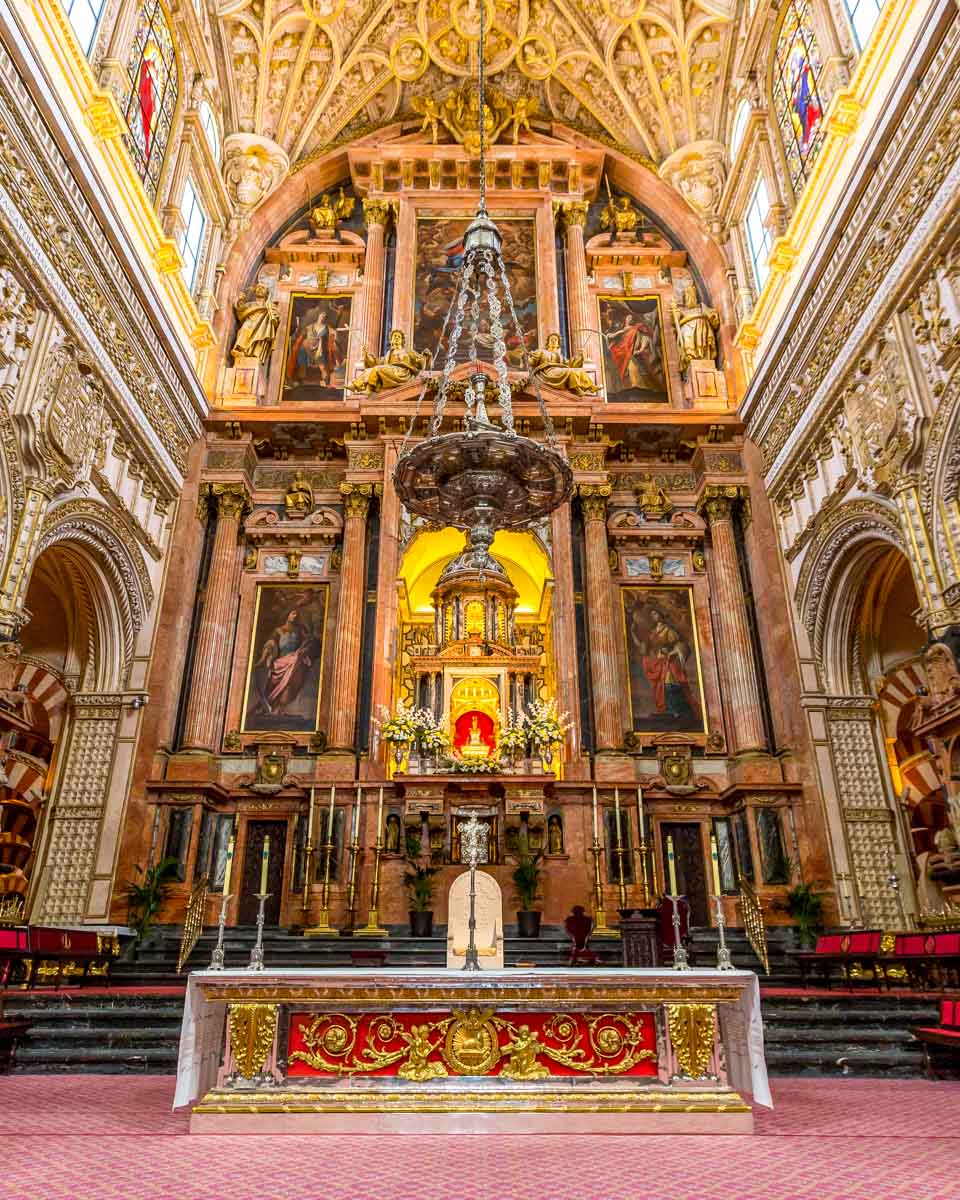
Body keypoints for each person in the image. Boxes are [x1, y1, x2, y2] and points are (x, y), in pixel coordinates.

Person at [349, 329, 430, 393]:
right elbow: (376, 363)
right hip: (391, 373)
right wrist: (366, 355)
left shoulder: (408, 351)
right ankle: (356, 385)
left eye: (399, 336)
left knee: (377, 369)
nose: (397, 338)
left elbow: (419, 362)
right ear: (391, 341)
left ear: (402, 340)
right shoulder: (389, 353)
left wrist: (425, 356)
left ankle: (368, 388)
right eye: (394, 336)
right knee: (370, 370)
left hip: (402, 373)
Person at [528, 334, 599, 395]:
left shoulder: (560, 356)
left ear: (558, 344)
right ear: (548, 343)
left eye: (555, 340)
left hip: (559, 370)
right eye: (551, 339)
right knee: (570, 372)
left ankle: (591, 387)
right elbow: (532, 363)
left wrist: (581, 356)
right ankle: (576, 389)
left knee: (578, 371)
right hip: (548, 371)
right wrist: (527, 357)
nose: (553, 341)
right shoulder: (541, 352)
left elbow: (571, 365)